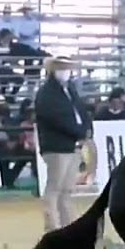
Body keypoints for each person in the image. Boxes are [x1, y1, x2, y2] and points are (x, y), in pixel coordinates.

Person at [35, 56, 91, 231]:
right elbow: (55, 118)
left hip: (71, 143)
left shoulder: (70, 90)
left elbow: (81, 111)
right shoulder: (46, 93)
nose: (65, 71)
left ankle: (67, 225)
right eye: (61, 67)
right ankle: (53, 226)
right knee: (55, 187)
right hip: (56, 145)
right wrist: (79, 131)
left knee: (66, 189)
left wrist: (87, 130)